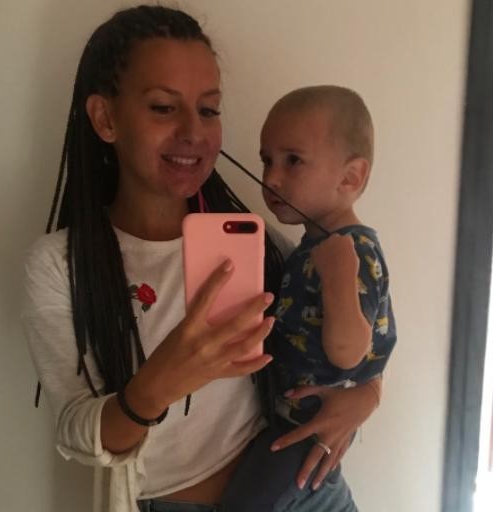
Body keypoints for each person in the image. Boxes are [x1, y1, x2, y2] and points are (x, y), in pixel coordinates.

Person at [21, 6, 382, 512]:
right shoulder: (62, 265)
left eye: (209, 110)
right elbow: (77, 432)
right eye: (163, 108)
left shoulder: (259, 244)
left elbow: (353, 327)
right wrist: (158, 384)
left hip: (304, 492)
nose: (194, 132)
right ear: (105, 118)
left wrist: (369, 393)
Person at [221, 86, 396, 511]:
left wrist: (338, 276)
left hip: (308, 430)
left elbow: (348, 353)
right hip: (289, 419)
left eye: (293, 160)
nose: (271, 178)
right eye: (267, 160)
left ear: (350, 177)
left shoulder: (352, 251)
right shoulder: (309, 247)